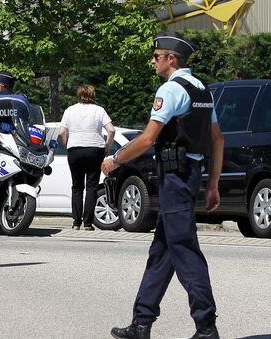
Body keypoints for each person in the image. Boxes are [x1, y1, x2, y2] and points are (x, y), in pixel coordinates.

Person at [102, 32, 224, 339]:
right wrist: (212, 185)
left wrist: (116, 159)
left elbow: (147, 138)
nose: (153, 61)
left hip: (175, 177)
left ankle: (206, 327)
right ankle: (141, 322)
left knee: (184, 249)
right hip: (190, 173)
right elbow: (217, 139)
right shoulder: (202, 90)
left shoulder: (170, 90)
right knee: (162, 251)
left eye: (157, 56)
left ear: (171, 59)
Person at [59, 84, 115, 231]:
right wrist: (107, 147)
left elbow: (61, 133)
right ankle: (88, 223)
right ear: (93, 95)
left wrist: (67, 146)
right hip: (95, 149)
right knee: (92, 187)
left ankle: (75, 222)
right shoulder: (99, 110)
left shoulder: (69, 110)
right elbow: (111, 130)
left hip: (75, 149)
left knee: (77, 186)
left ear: (78, 95)